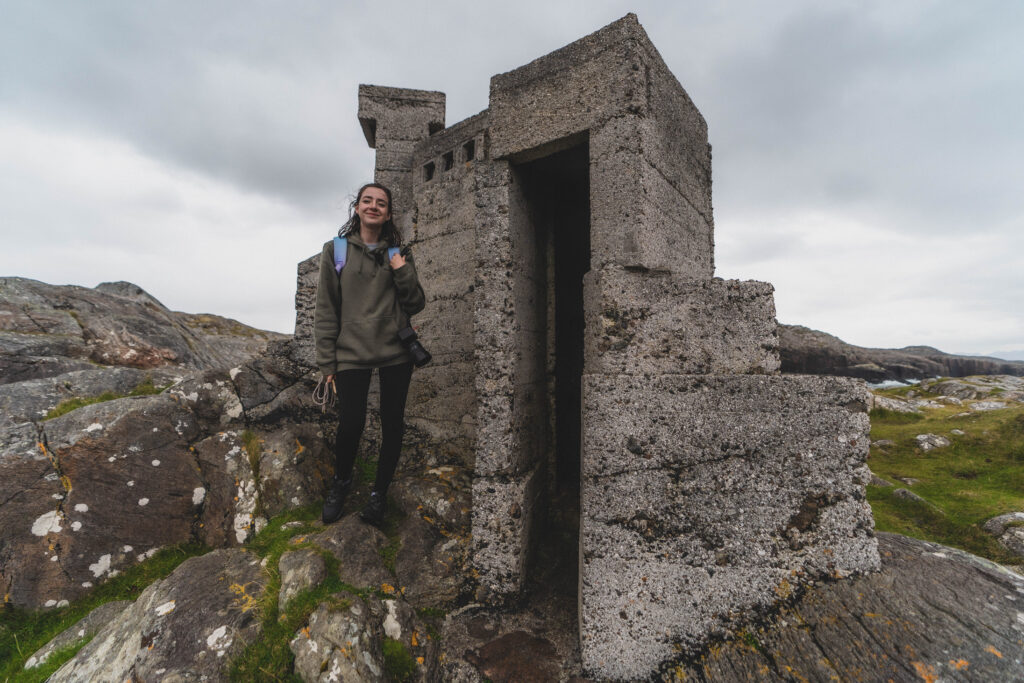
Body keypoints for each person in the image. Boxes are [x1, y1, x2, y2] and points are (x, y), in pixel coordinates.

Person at [313, 182, 425, 525]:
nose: (373, 206)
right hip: (351, 353)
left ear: (388, 214)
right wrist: (327, 362)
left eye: (381, 203)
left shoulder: (399, 253)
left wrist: (401, 269)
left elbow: (415, 303)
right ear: (357, 208)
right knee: (350, 424)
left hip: (396, 353)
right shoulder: (337, 251)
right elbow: (326, 308)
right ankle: (341, 483)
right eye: (367, 201)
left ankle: (378, 496)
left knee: (393, 425)